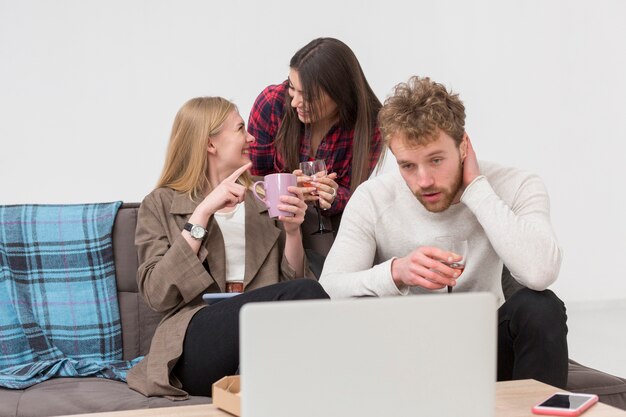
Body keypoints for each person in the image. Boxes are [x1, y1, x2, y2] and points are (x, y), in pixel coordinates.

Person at [319, 76, 569, 388]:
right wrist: (397, 272)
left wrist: (476, 189)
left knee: (541, 306)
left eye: (436, 160)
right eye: (408, 166)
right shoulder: (374, 198)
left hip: (487, 348)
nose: (423, 180)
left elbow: (540, 272)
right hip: (404, 356)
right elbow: (328, 289)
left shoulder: (515, 185)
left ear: (464, 146)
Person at [127, 97, 329, 399]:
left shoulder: (264, 193)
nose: (251, 138)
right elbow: (157, 294)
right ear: (211, 144)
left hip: (264, 334)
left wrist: (292, 231)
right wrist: (203, 213)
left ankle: (253, 384)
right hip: (196, 345)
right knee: (307, 296)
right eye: (240, 129)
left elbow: (292, 287)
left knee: (301, 299)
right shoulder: (160, 204)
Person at [247, 37, 383, 225]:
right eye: (292, 88)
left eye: (308, 96)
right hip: (273, 220)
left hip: (331, 225)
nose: (295, 102)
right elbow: (251, 180)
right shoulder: (272, 103)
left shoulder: (370, 124)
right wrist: (285, 188)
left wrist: (333, 196)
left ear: (339, 93)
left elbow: (356, 194)